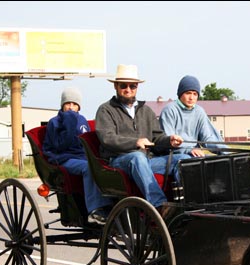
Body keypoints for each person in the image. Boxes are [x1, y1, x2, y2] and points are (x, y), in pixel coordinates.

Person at [95, 64, 184, 216]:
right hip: (119, 161)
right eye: (123, 85)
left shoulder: (146, 111)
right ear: (116, 86)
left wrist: (169, 140)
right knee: (137, 157)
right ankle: (159, 206)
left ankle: (186, 204)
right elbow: (107, 138)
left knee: (183, 158)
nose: (128, 89)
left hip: (147, 160)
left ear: (137, 87)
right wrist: (135, 142)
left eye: (132, 86)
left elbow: (157, 138)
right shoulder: (106, 110)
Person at [42, 87, 112, 224]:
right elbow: (60, 145)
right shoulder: (54, 122)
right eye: (68, 104)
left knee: (105, 166)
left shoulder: (82, 120)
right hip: (64, 158)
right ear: (62, 105)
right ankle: (95, 210)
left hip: (82, 157)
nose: (71, 107)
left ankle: (111, 205)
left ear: (79, 106)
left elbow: (85, 143)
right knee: (88, 167)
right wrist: (69, 121)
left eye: (74, 104)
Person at [159, 75, 229, 158]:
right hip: (172, 155)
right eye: (188, 93)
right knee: (187, 160)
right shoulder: (169, 110)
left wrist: (226, 152)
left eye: (195, 94)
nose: (191, 98)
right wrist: (188, 150)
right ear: (180, 94)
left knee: (216, 162)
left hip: (194, 154)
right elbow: (169, 142)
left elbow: (208, 137)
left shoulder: (199, 111)